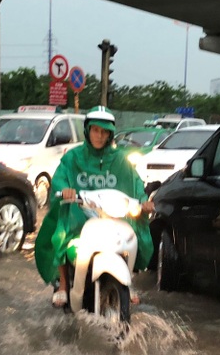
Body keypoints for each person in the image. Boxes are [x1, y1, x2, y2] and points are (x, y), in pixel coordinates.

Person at [34, 106, 155, 308]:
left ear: (110, 134)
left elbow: (135, 184)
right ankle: (63, 283)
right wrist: (65, 190)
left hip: (113, 215)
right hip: (79, 214)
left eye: (104, 131)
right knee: (61, 234)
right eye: (96, 130)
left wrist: (144, 201)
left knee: (131, 235)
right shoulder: (73, 157)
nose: (99, 135)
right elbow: (60, 178)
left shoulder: (120, 160)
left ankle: (128, 281)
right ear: (88, 130)